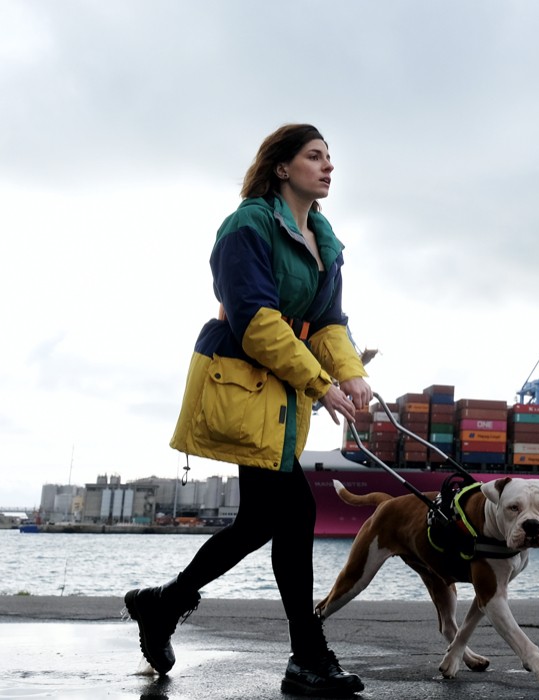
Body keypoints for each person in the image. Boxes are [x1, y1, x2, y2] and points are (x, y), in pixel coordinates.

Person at [124, 124, 371, 697]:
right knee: (296, 514)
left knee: (262, 520)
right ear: (282, 168)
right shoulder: (248, 225)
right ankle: (307, 658)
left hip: (282, 398)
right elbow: (256, 322)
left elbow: (330, 322)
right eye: (315, 157)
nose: (328, 167)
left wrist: (352, 372)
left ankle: (162, 605)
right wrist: (319, 383)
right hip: (245, 387)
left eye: (330, 158)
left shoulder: (325, 241)